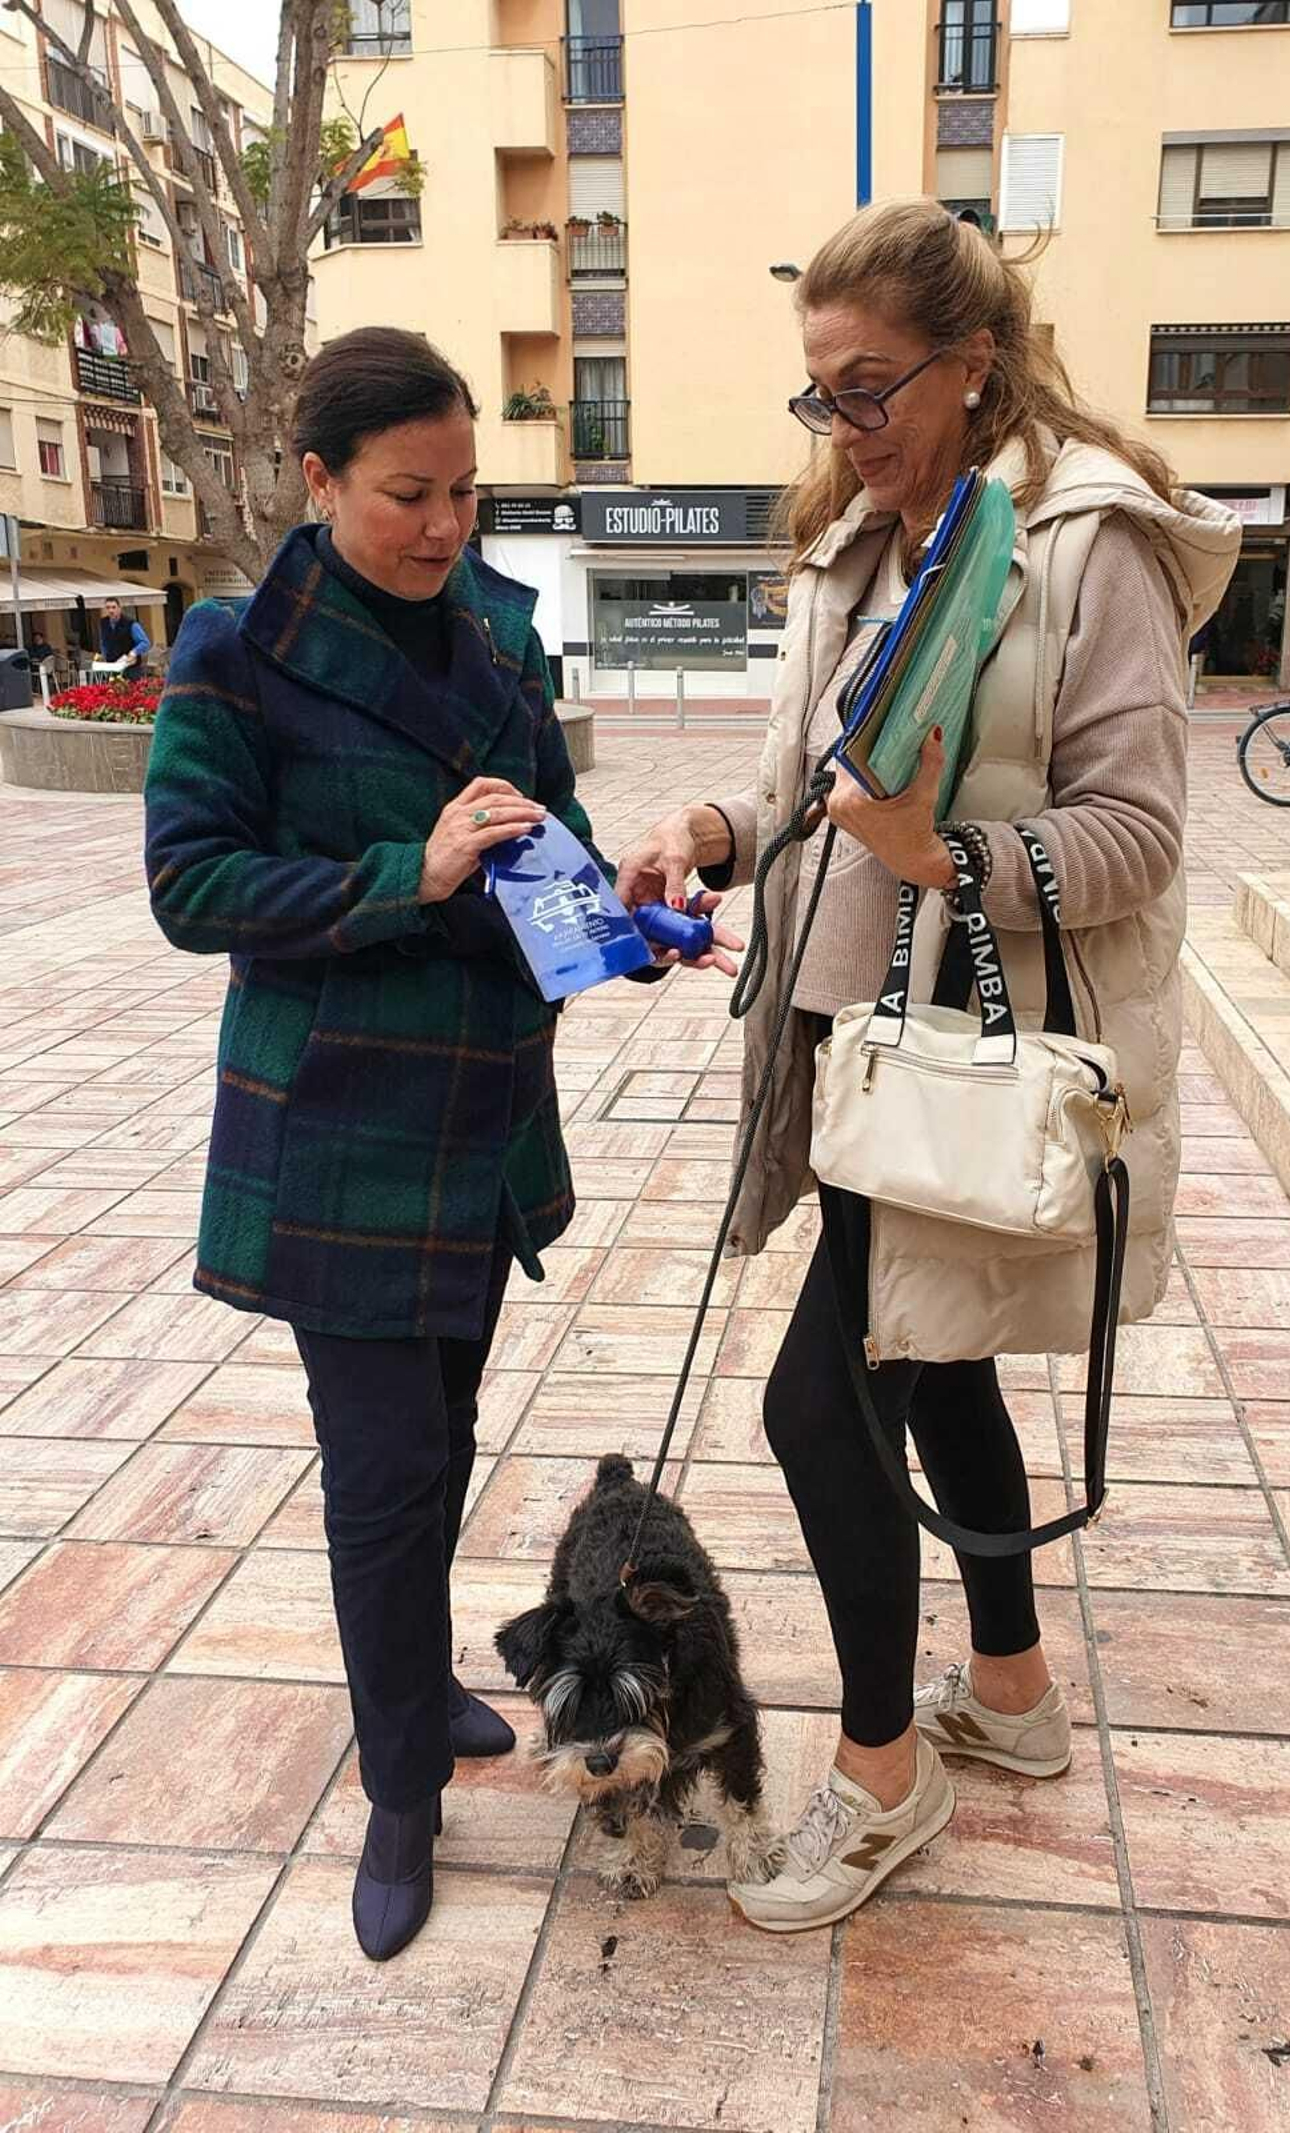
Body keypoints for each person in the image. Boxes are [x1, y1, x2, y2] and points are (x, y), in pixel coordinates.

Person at [618, 199, 1239, 1934]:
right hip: (856, 1043)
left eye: (870, 388)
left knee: (820, 1404)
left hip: (969, 1048)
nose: (842, 427)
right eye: (818, 393)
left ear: (973, 367)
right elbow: (802, 785)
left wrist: (950, 857)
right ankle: (1016, 1699)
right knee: (938, 1366)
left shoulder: (1081, 547)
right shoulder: (859, 543)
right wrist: (711, 828)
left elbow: (1138, 836)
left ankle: (887, 1776)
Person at [144, 325, 733, 1964]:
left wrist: (635, 927)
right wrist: (405, 869)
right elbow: (192, 886)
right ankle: (401, 1772)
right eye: (407, 492)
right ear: (318, 480)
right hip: (338, 1127)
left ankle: (419, 1698)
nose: (443, 522)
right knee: (386, 1481)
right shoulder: (235, 649)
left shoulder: (497, 635)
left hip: (478, 1126)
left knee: (441, 1440)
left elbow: (539, 870)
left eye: (466, 489)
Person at [98, 597, 151, 678]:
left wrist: (134, 652)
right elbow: (103, 642)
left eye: (113, 607)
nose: (111, 611)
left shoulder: (131, 624)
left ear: (119, 608)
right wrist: (104, 656)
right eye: (108, 608)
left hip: (131, 668)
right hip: (113, 667)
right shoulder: (103, 623)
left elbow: (145, 642)